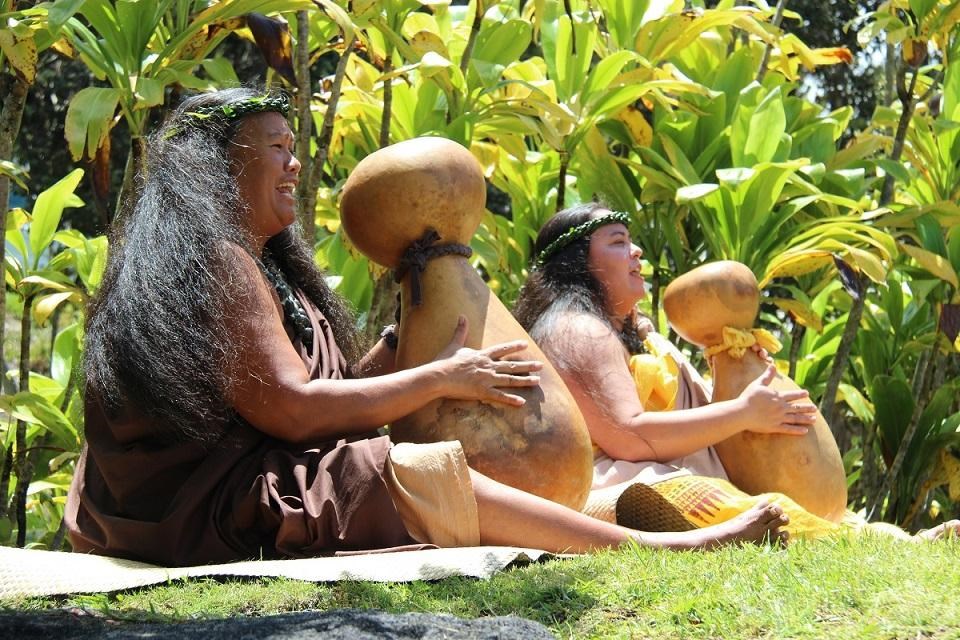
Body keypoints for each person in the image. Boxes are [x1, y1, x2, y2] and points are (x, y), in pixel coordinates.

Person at [64, 89, 792, 567]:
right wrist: (443, 376)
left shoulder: (252, 262)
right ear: (216, 166)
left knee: (380, 460)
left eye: (295, 147)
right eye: (276, 146)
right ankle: (648, 549)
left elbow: (292, 400)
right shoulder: (219, 259)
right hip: (200, 507)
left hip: (180, 500)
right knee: (399, 471)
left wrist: (384, 365)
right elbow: (288, 411)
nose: (295, 163)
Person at [512, 203, 960, 541]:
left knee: (790, 510)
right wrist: (745, 413)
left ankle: (889, 539)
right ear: (578, 262)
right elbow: (630, 436)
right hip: (619, 483)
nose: (636, 251)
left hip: (655, 468)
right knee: (735, 506)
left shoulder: (621, 331)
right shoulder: (578, 330)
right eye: (617, 241)